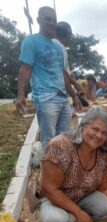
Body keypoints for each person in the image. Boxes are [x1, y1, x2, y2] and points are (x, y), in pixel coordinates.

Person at [39, 108, 107, 222]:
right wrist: (78, 213)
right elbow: (49, 189)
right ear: (83, 125)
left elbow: (104, 188)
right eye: (95, 129)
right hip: (54, 196)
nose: (99, 136)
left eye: (104, 133)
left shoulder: (102, 154)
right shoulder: (60, 146)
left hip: (82, 195)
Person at [16, 6, 81, 151]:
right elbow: (25, 69)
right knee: (49, 142)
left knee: (65, 139)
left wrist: (74, 96)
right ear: (39, 20)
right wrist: (20, 95)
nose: (52, 23)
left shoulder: (57, 47)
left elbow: (63, 73)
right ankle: (49, 173)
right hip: (46, 99)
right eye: (48, 19)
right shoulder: (31, 41)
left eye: (54, 20)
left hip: (62, 99)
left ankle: (62, 171)